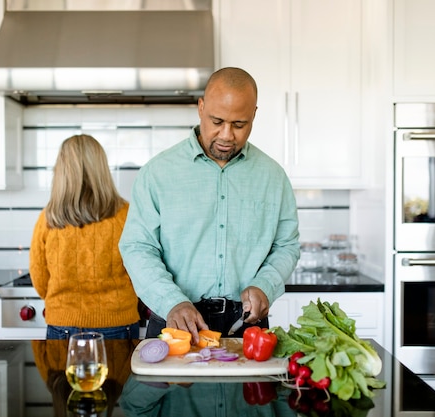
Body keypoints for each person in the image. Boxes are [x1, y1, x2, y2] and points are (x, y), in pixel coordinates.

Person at [119, 67, 300, 344]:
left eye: (239, 125)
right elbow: (137, 247)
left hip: (247, 325)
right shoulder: (157, 173)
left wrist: (265, 286)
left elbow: (286, 245)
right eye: (217, 121)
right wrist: (171, 302)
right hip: (176, 323)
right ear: (200, 108)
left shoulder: (273, 177)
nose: (227, 135)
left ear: (254, 115)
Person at [30, 134, 140, 340]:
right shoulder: (126, 215)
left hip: (61, 324)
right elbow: (141, 271)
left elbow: (40, 279)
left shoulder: (48, 218)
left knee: (64, 374)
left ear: (61, 170)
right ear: (101, 168)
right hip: (118, 323)